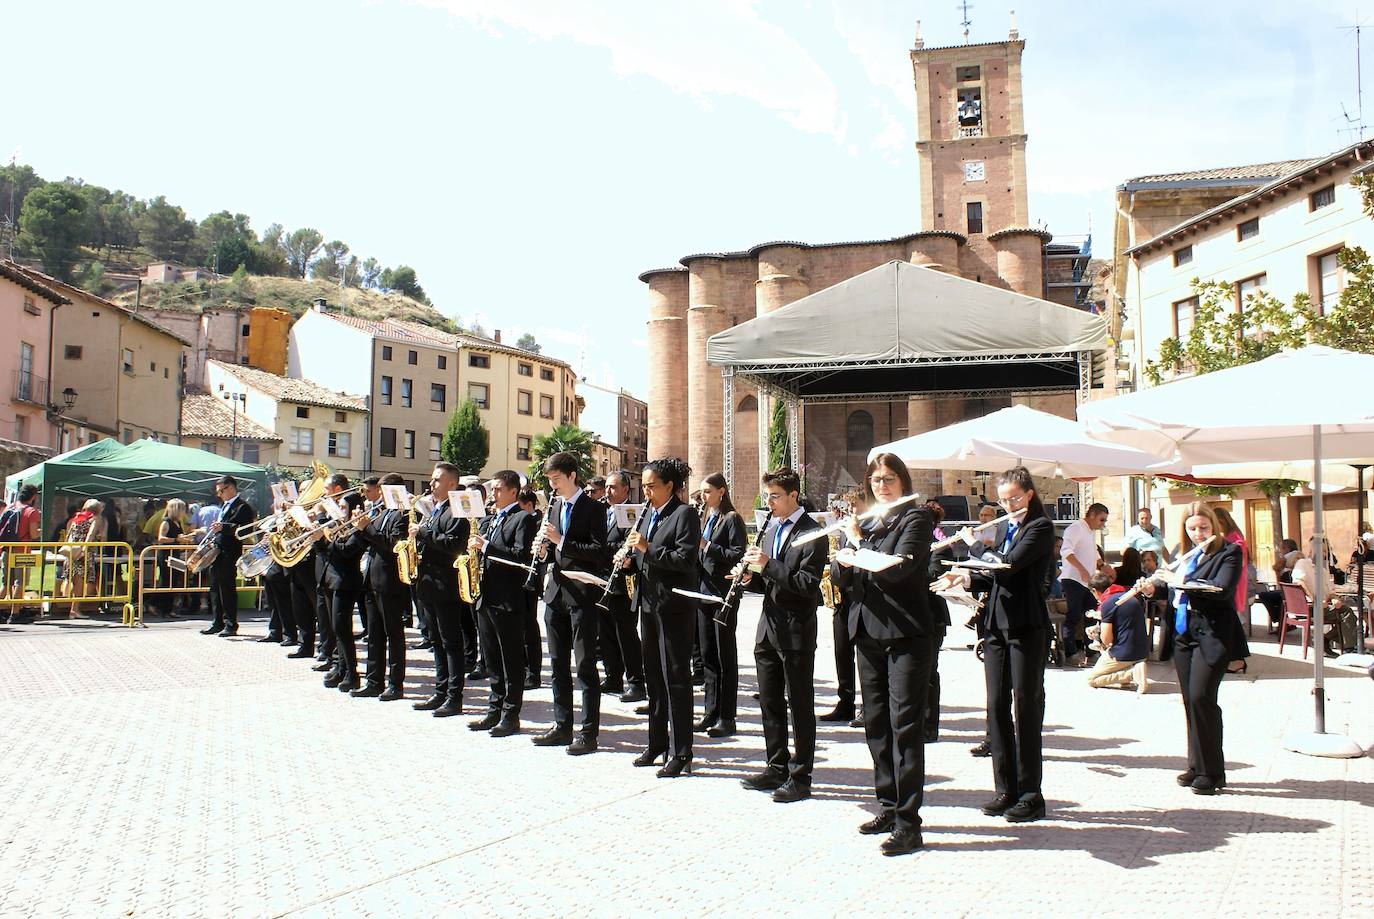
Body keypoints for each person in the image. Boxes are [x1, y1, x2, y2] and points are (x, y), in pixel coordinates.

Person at [933, 465, 1055, 823]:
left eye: (1014, 498)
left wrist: (974, 547)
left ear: (1029, 495)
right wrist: (964, 577)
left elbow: (1009, 566)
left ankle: (1032, 794)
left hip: (1027, 627)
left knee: (1026, 708)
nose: (1008, 505)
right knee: (996, 707)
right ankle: (1006, 789)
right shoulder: (1009, 529)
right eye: (1003, 501)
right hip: (996, 626)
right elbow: (993, 578)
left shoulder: (1039, 528)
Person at [831, 453, 934, 856]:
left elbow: (896, 570)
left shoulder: (917, 519)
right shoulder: (870, 520)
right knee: (876, 724)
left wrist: (856, 544)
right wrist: (844, 553)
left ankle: (910, 823)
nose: (882, 486)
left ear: (903, 482)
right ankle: (889, 806)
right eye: (875, 480)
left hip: (905, 632)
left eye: (889, 479)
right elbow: (843, 576)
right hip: (867, 631)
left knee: (904, 725)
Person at [1139, 501, 1248, 795]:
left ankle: (1213, 772)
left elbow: (1221, 588)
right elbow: (1172, 589)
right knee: (1189, 700)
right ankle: (1196, 765)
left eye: (1204, 528)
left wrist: (1181, 580)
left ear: (1214, 526)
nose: (1199, 534)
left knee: (1203, 698)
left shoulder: (1229, 552)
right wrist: (1154, 587)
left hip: (1212, 634)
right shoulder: (1182, 554)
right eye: (1193, 528)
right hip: (1183, 635)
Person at [739, 468, 828, 804]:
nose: (769, 502)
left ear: (793, 495)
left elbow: (807, 585)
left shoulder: (813, 533)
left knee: (800, 704)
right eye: (768, 496)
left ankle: (801, 776)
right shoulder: (772, 528)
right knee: (771, 701)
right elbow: (772, 579)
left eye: (775, 496)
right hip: (768, 627)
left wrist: (767, 564)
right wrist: (751, 578)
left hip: (795, 629)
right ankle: (775, 765)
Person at [624, 457, 700, 777]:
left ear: (670, 486)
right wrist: (630, 560)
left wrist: (646, 547)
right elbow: (645, 556)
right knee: (654, 678)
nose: (646, 491)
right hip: (649, 605)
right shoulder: (647, 515)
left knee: (676, 680)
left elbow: (684, 559)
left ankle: (681, 751)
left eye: (651, 486)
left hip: (674, 608)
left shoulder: (685, 515)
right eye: (644, 486)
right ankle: (656, 743)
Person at [533, 451, 610, 755]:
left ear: (572, 476)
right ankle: (561, 726)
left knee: (585, 666)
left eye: (557, 479)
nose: (553, 486)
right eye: (550, 480)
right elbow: (554, 549)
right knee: (557, 665)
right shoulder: (553, 506)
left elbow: (597, 551)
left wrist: (560, 540)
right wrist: (543, 552)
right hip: (555, 594)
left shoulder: (593, 509)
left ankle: (588, 733)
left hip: (581, 595)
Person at [467, 469, 539, 735]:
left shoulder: (524, 519)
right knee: (492, 659)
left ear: (512, 491)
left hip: (508, 599)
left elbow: (521, 557)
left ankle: (511, 714)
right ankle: (493, 709)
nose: (493, 494)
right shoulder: (489, 519)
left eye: (497, 489)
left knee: (511, 660)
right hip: (486, 596)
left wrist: (486, 547)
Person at [411, 463, 471, 718]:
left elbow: (454, 544)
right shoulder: (433, 510)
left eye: (437, 480)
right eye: (432, 479)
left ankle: (454, 696)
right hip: (428, 584)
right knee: (435, 640)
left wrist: (422, 533)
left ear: (452, 484)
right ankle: (441, 689)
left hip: (445, 585)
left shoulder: (457, 510)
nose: (431, 483)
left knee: (450, 642)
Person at [694, 471, 746, 737]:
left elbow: (737, 554)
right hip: (704, 592)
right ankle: (710, 711)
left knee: (725, 656)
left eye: (707, 492)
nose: (703, 497)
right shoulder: (705, 517)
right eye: (702, 492)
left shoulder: (731, 519)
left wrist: (707, 545)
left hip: (723, 594)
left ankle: (728, 716)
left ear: (721, 491)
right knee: (708, 656)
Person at [353, 474, 410, 701]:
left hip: (391, 581)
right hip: (372, 580)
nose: (380, 494)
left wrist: (367, 528)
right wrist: (360, 526)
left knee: (393, 634)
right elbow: (371, 540)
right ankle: (373, 680)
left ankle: (395, 684)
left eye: (383, 490)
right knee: (375, 634)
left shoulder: (403, 514)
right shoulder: (382, 513)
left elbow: (393, 545)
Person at [598, 471, 648, 704]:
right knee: (606, 632)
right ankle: (613, 676)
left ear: (626, 490)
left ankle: (636, 682)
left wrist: (609, 549)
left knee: (625, 633)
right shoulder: (602, 511)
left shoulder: (633, 513)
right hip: (602, 580)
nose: (608, 492)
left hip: (622, 581)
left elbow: (630, 543)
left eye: (613, 487)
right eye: (607, 487)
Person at [821, 490, 865, 726]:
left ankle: (867, 707)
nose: (851, 511)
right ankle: (845, 702)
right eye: (849, 506)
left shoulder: (868, 530)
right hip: (843, 601)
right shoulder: (847, 533)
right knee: (842, 654)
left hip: (861, 600)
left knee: (864, 657)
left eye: (855, 506)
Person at [200, 476, 255, 637]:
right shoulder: (224, 506)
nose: (220, 494)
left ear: (231, 488)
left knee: (227, 588)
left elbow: (245, 530)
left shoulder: (242, 507)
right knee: (215, 587)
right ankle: (217, 622)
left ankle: (230, 624)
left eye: (221, 491)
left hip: (229, 551)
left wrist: (223, 527)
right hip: (217, 550)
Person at [1058, 502, 1109, 666]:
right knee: (1073, 616)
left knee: (1091, 614)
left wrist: (1102, 566)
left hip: (1087, 581)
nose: (1102, 524)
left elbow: (1093, 552)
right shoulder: (1076, 528)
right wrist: (1081, 569)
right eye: (1101, 520)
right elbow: (1066, 552)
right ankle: (1070, 651)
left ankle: (1091, 651)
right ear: (1092, 515)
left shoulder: (1090, 532)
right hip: (1073, 579)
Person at [1085, 572, 1149, 693]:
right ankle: (1132, 669)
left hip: (1123, 653)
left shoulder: (1108, 604)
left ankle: (1132, 674)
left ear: (1094, 590)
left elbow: (1107, 640)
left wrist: (1096, 635)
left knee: (1092, 679)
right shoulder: (1128, 597)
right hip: (1142, 651)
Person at [924, 499, 953, 744]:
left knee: (929, 671)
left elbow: (933, 574)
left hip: (932, 616)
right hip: (911, 616)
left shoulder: (940, 546)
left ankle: (929, 725)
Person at [63, 499, 107, 619]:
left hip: (72, 551)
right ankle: (75, 609)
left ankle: (72, 608)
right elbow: (91, 535)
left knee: (74, 581)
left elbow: (68, 535)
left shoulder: (76, 519)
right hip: (83, 554)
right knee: (80, 582)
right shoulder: (95, 519)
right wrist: (84, 549)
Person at [518, 488, 543, 689]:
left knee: (529, 627)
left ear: (527, 505)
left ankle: (533, 672)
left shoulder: (536, 521)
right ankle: (524, 667)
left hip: (529, 578)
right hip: (516, 580)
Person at [154, 499, 195, 617]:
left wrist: (187, 538)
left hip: (175, 554)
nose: (184, 512)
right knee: (166, 580)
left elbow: (178, 536)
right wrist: (176, 540)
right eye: (182, 509)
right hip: (166, 555)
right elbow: (161, 538)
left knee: (174, 581)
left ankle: (169, 609)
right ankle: (160, 606)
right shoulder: (166, 522)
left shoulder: (178, 522)